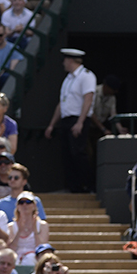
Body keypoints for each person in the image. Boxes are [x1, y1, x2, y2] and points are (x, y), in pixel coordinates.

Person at [43, 48, 96, 193]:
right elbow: (62, 103)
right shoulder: (68, 79)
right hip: (66, 120)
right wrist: (52, 124)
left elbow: (88, 99)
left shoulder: (86, 76)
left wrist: (80, 122)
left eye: (65, 60)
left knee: (78, 153)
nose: (63, 63)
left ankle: (88, 185)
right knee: (67, 155)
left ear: (71, 60)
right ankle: (74, 187)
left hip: (78, 120)